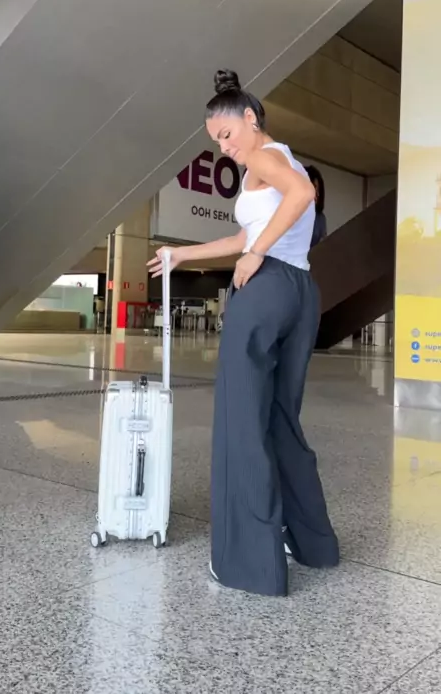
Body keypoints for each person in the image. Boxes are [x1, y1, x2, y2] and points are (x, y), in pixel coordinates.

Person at [148, 70, 339, 596]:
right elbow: (243, 233)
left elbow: (301, 196)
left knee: (241, 423)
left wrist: (256, 254)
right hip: (301, 292)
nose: (224, 147)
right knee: (280, 422)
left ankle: (248, 565)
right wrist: (184, 253)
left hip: (267, 289)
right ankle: (315, 544)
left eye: (227, 134)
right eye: (216, 141)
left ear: (250, 119)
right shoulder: (281, 159)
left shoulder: (264, 159)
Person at [305, 165, 328, 247]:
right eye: (314, 188)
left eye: (319, 190)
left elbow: (323, 245)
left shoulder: (320, 218)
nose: (317, 194)